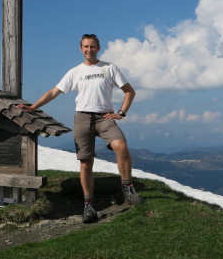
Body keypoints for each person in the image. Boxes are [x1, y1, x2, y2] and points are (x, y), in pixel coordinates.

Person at [19, 33, 142, 223]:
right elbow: (55, 91)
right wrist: (34, 107)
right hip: (82, 117)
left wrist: (121, 112)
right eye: (85, 46)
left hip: (105, 117)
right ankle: (89, 205)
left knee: (122, 146)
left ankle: (127, 187)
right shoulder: (75, 71)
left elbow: (129, 91)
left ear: (98, 48)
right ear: (80, 49)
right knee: (86, 162)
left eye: (92, 46)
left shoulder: (109, 68)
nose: (89, 50)